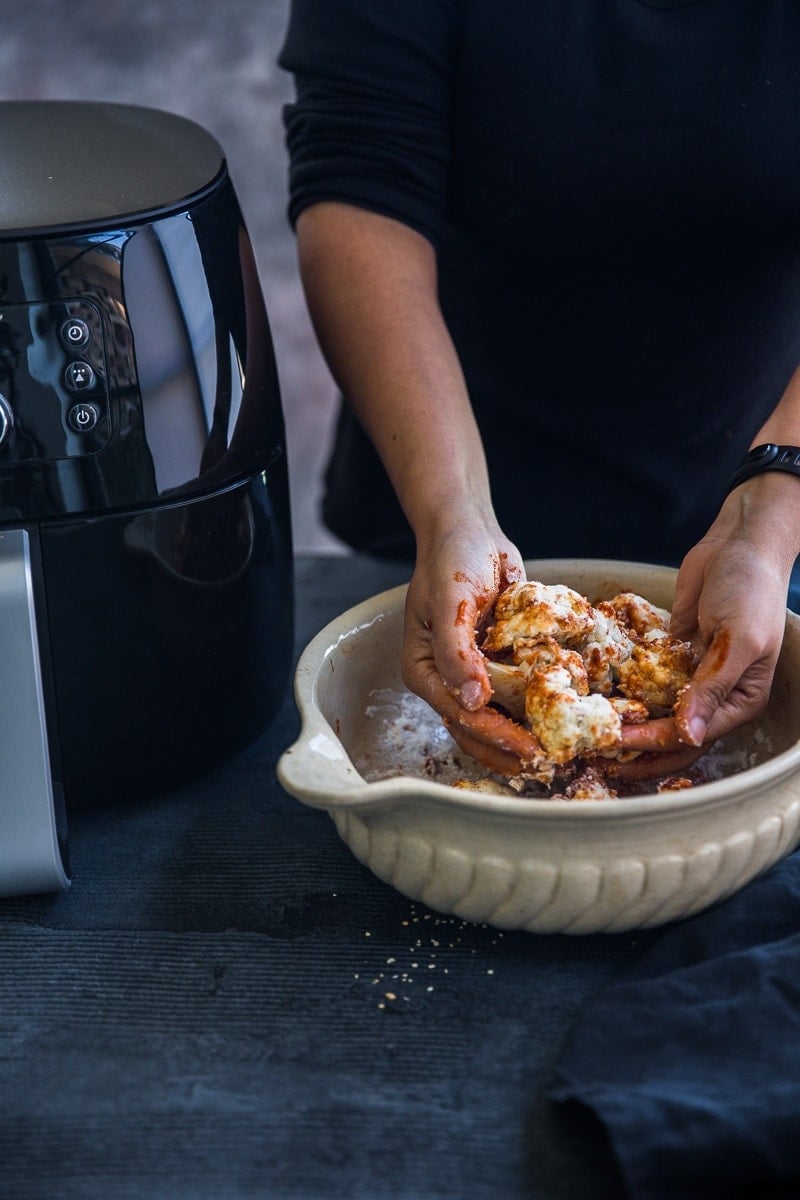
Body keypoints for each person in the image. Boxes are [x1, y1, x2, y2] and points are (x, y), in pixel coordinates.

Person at [279, 0, 800, 770]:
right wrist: (451, 505)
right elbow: (361, 183)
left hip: (772, 520)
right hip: (436, 516)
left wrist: (775, 499)